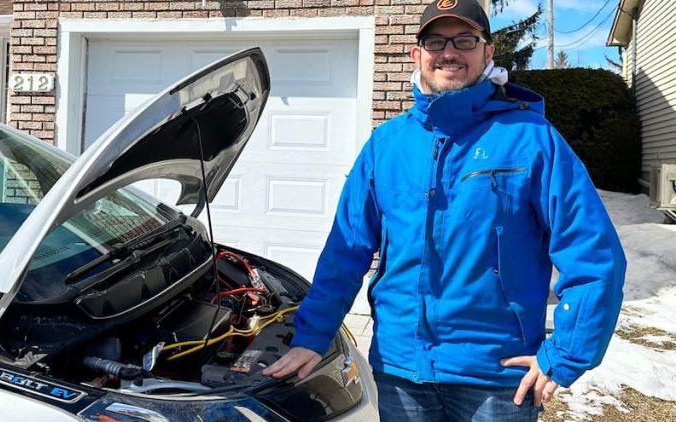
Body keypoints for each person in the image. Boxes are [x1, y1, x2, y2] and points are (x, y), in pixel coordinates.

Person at [262, 0, 627, 420]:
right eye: (435, 41)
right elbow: (346, 251)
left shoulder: (531, 140)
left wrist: (564, 354)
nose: (449, 52)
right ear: (417, 55)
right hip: (401, 371)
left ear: (488, 52)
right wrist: (313, 334)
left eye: (465, 40)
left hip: (496, 377)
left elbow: (593, 252)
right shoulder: (387, 145)